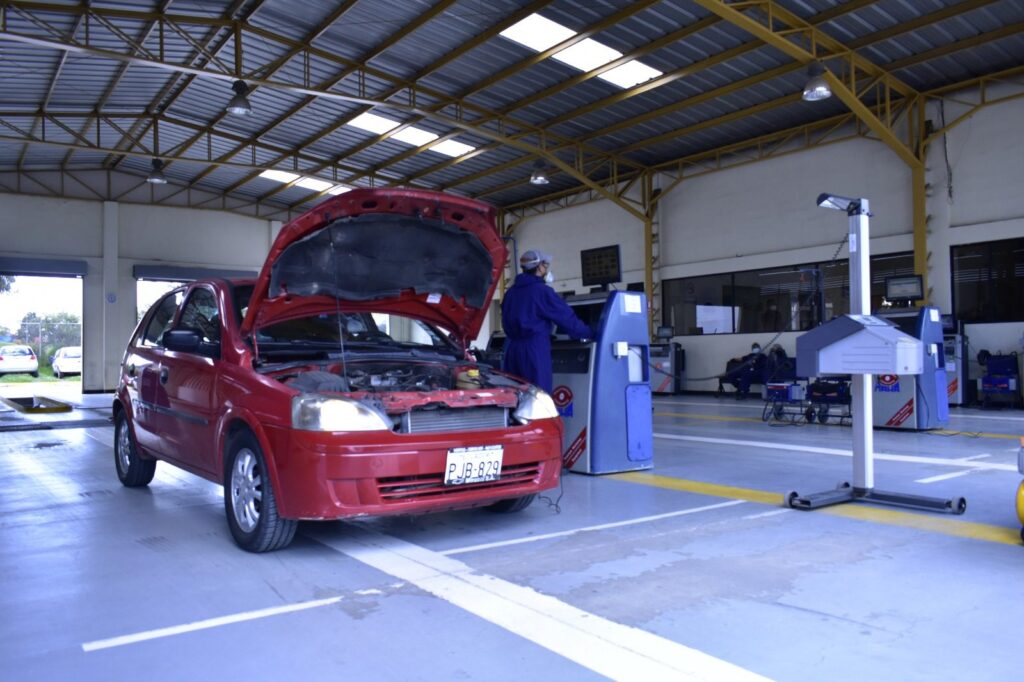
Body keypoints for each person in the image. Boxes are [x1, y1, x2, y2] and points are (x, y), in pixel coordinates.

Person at [501, 250, 593, 394]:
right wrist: (590, 332)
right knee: (538, 398)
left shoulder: (511, 292)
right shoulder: (542, 291)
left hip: (511, 350)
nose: (546, 269)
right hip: (534, 350)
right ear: (539, 267)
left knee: (514, 397)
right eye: (545, 265)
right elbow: (566, 319)